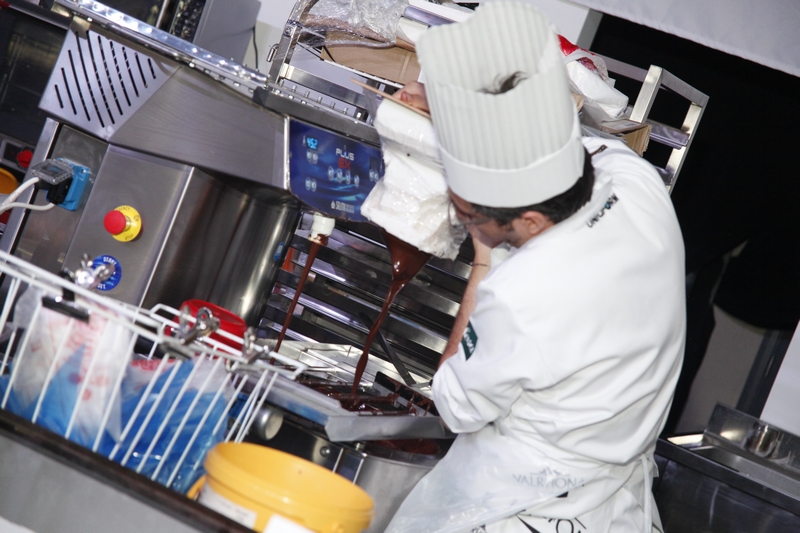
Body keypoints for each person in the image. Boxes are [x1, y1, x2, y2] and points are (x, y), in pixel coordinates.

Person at [384, 3, 686, 533]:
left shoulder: (524, 295)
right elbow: (585, 139)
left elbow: (454, 404)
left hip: (525, 510)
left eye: (472, 217)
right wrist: (462, 108)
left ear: (526, 219)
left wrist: (483, 260)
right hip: (618, 509)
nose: (465, 222)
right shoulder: (637, 186)